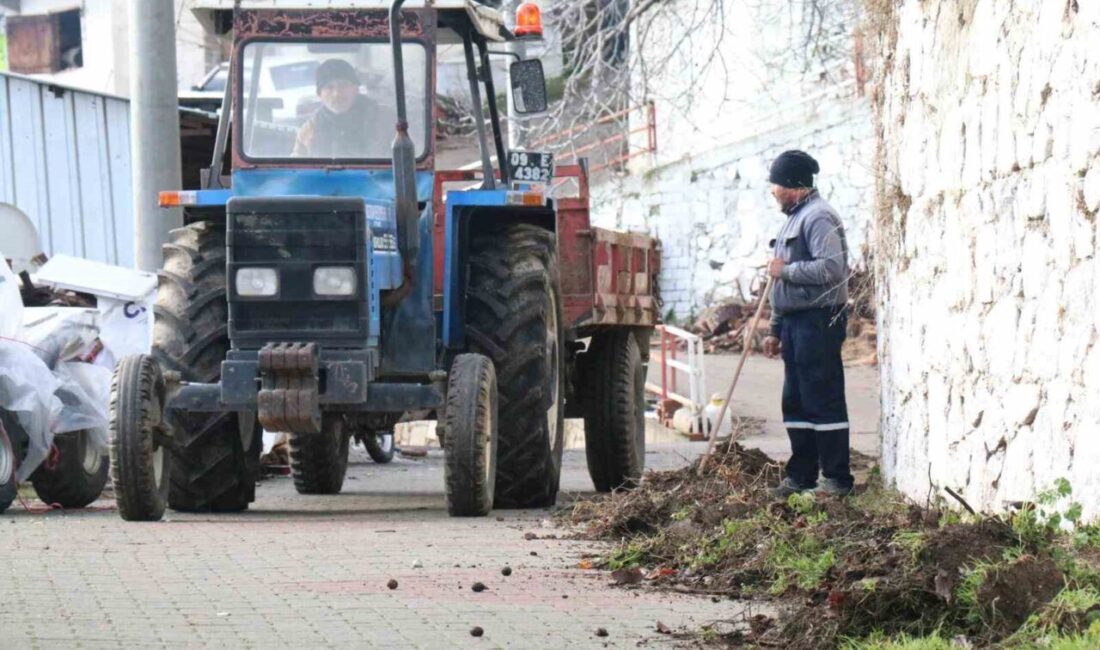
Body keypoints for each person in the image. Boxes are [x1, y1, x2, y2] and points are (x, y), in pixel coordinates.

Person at [761, 150, 854, 498]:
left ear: (794, 186)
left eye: (777, 184)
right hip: (795, 323)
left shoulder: (818, 217)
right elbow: (781, 285)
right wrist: (774, 328)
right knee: (796, 401)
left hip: (819, 320)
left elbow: (831, 270)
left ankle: (836, 480)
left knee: (822, 398)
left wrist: (784, 270)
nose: (773, 190)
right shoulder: (793, 218)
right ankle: (801, 476)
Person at [293, 58, 376, 158]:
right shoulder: (309, 130)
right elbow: (297, 168)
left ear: (356, 89)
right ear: (320, 94)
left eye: (343, 85)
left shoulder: (385, 120)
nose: (336, 94)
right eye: (329, 87)